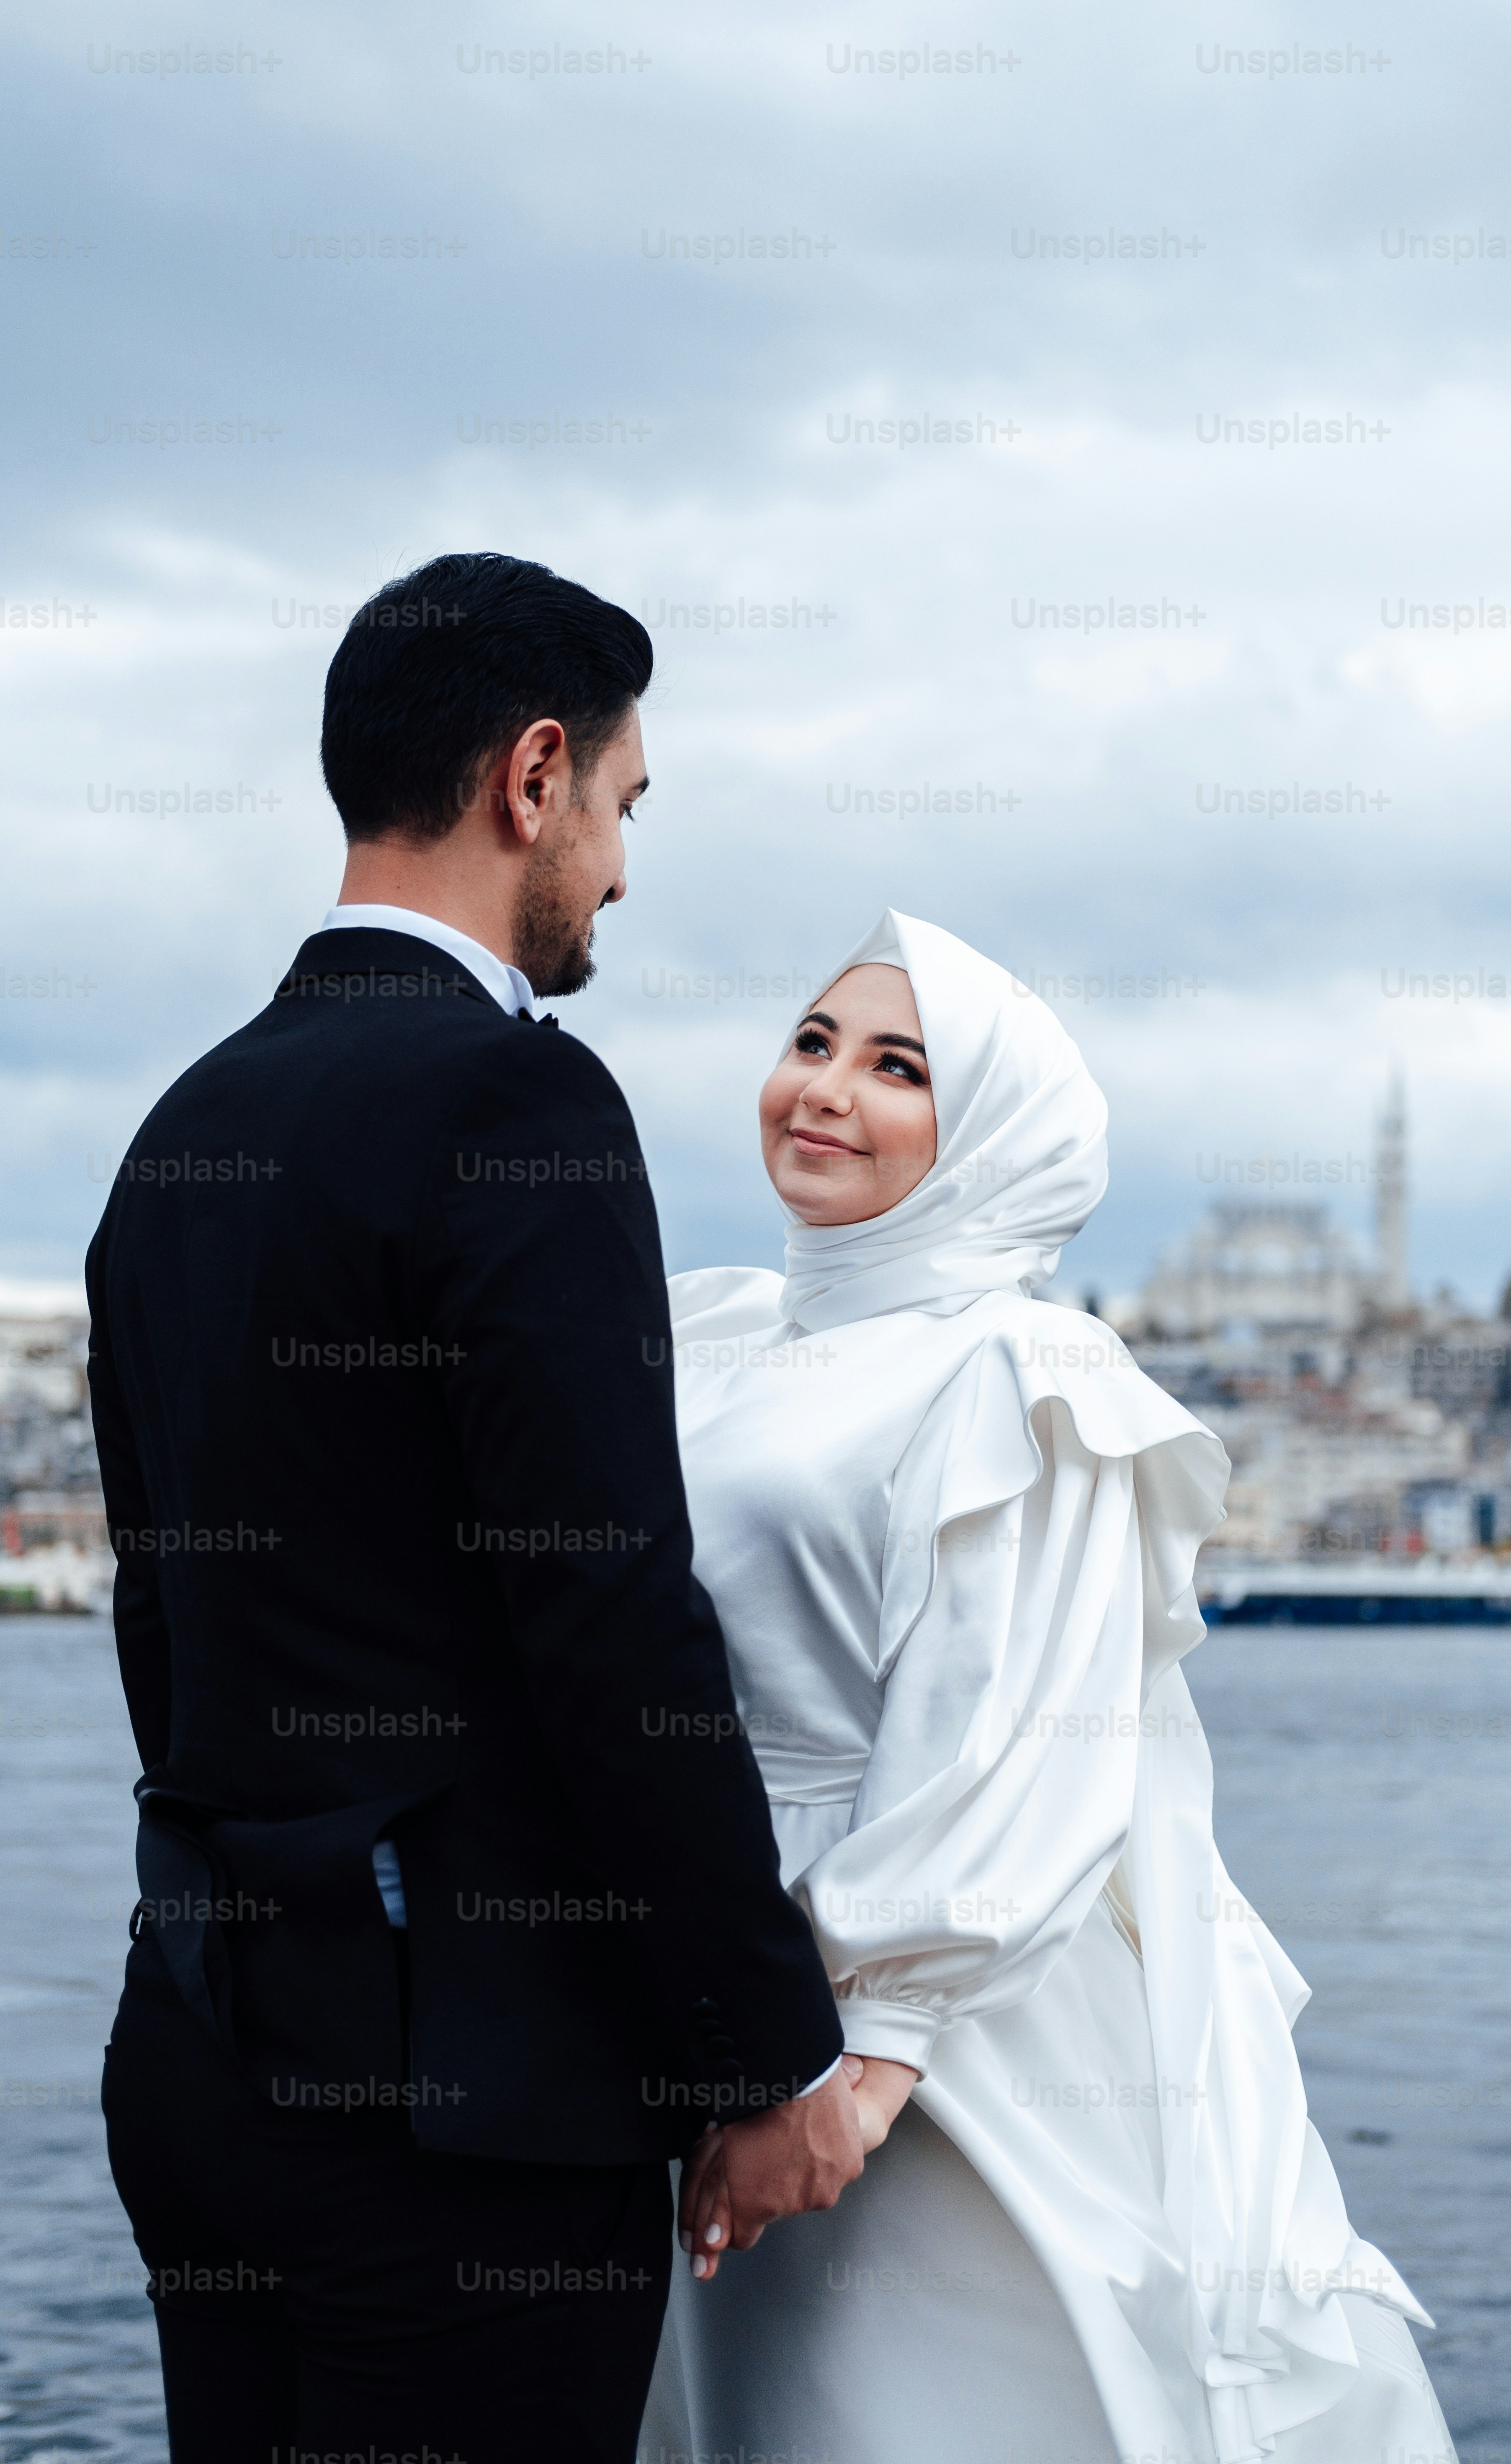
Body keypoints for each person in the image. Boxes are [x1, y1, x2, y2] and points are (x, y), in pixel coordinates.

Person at [86, 552, 861, 2464]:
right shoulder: (515, 1104)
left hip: (199, 2054)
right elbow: (607, 1613)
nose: (617, 867)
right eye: (623, 804)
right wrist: (757, 2052)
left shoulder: (179, 1130)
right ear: (534, 776)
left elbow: (163, 1626)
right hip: (466, 2112)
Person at [643, 910, 1457, 2464]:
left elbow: (1010, 1727)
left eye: (897, 1068)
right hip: (725, 1973)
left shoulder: (1020, 1370)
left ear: (992, 1138)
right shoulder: (715, 1336)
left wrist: (865, 2065)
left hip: (930, 2025)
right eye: (812, 1042)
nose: (824, 1088)